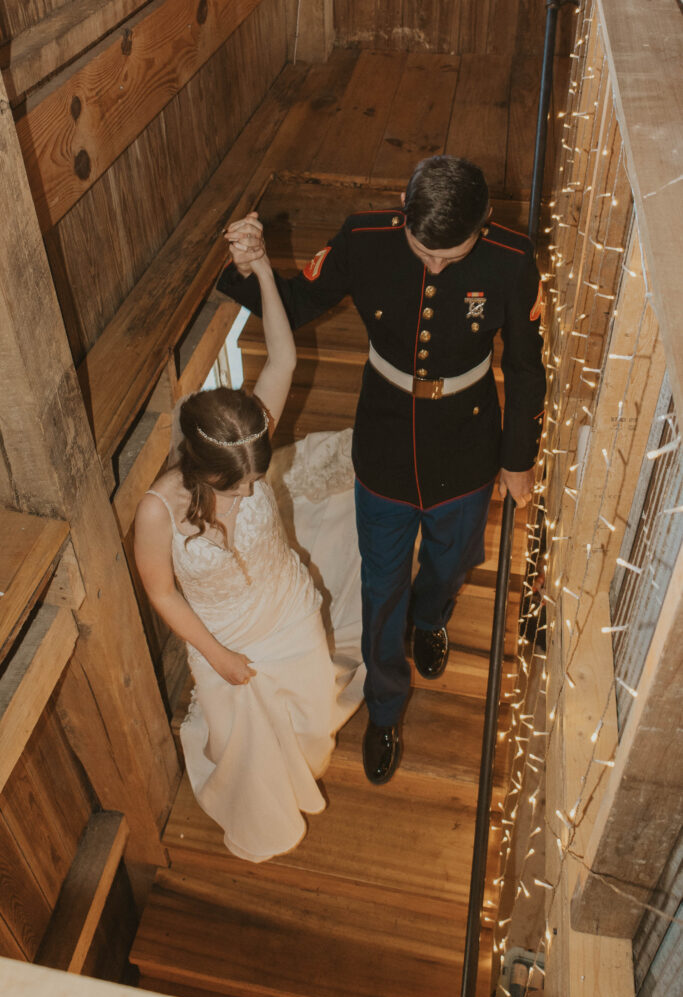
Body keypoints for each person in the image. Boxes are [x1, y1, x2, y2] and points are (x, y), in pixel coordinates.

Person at [217, 155, 546, 786]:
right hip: (386, 440)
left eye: (451, 256)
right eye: (424, 251)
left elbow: (527, 368)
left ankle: (431, 620)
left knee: (454, 563)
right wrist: (246, 265)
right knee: (380, 584)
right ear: (403, 209)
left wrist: (517, 460)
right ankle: (386, 707)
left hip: (468, 441)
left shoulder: (512, 257)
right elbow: (295, 301)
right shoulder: (366, 238)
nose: (435, 267)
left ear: (484, 223)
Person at [134, 244, 363, 862]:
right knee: (246, 738)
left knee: (312, 699)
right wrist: (219, 655)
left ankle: (305, 757)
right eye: (235, 485)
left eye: (254, 480)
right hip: (222, 629)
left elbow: (283, 355)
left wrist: (262, 271)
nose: (248, 491)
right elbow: (161, 592)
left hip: (285, 603)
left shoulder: (250, 424)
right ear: (199, 469)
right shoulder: (158, 511)